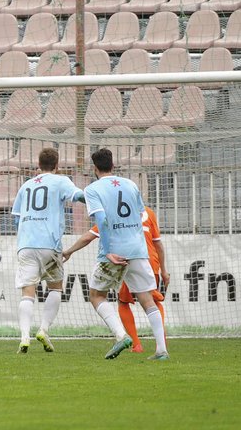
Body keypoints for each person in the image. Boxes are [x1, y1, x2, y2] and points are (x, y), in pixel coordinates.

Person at [81, 148, 168, 361]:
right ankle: (161, 350)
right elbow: (141, 214)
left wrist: (109, 250)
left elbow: (101, 220)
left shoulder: (92, 189)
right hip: (138, 249)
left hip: (113, 251)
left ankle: (121, 336)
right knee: (147, 299)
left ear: (95, 168)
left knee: (96, 295)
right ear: (113, 165)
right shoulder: (130, 184)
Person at [64, 205, 169, 353]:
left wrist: (69, 251)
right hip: (148, 259)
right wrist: (164, 270)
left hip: (122, 257)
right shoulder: (148, 212)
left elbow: (89, 236)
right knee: (152, 300)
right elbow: (158, 242)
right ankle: (161, 345)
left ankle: (135, 344)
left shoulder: (112, 212)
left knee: (120, 301)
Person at [10, 148, 84, 354]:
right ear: (57, 165)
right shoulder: (60, 181)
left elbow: (16, 217)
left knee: (27, 292)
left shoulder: (26, 185)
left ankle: (24, 337)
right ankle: (43, 329)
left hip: (26, 244)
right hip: (49, 244)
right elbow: (78, 196)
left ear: (38, 165)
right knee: (55, 288)